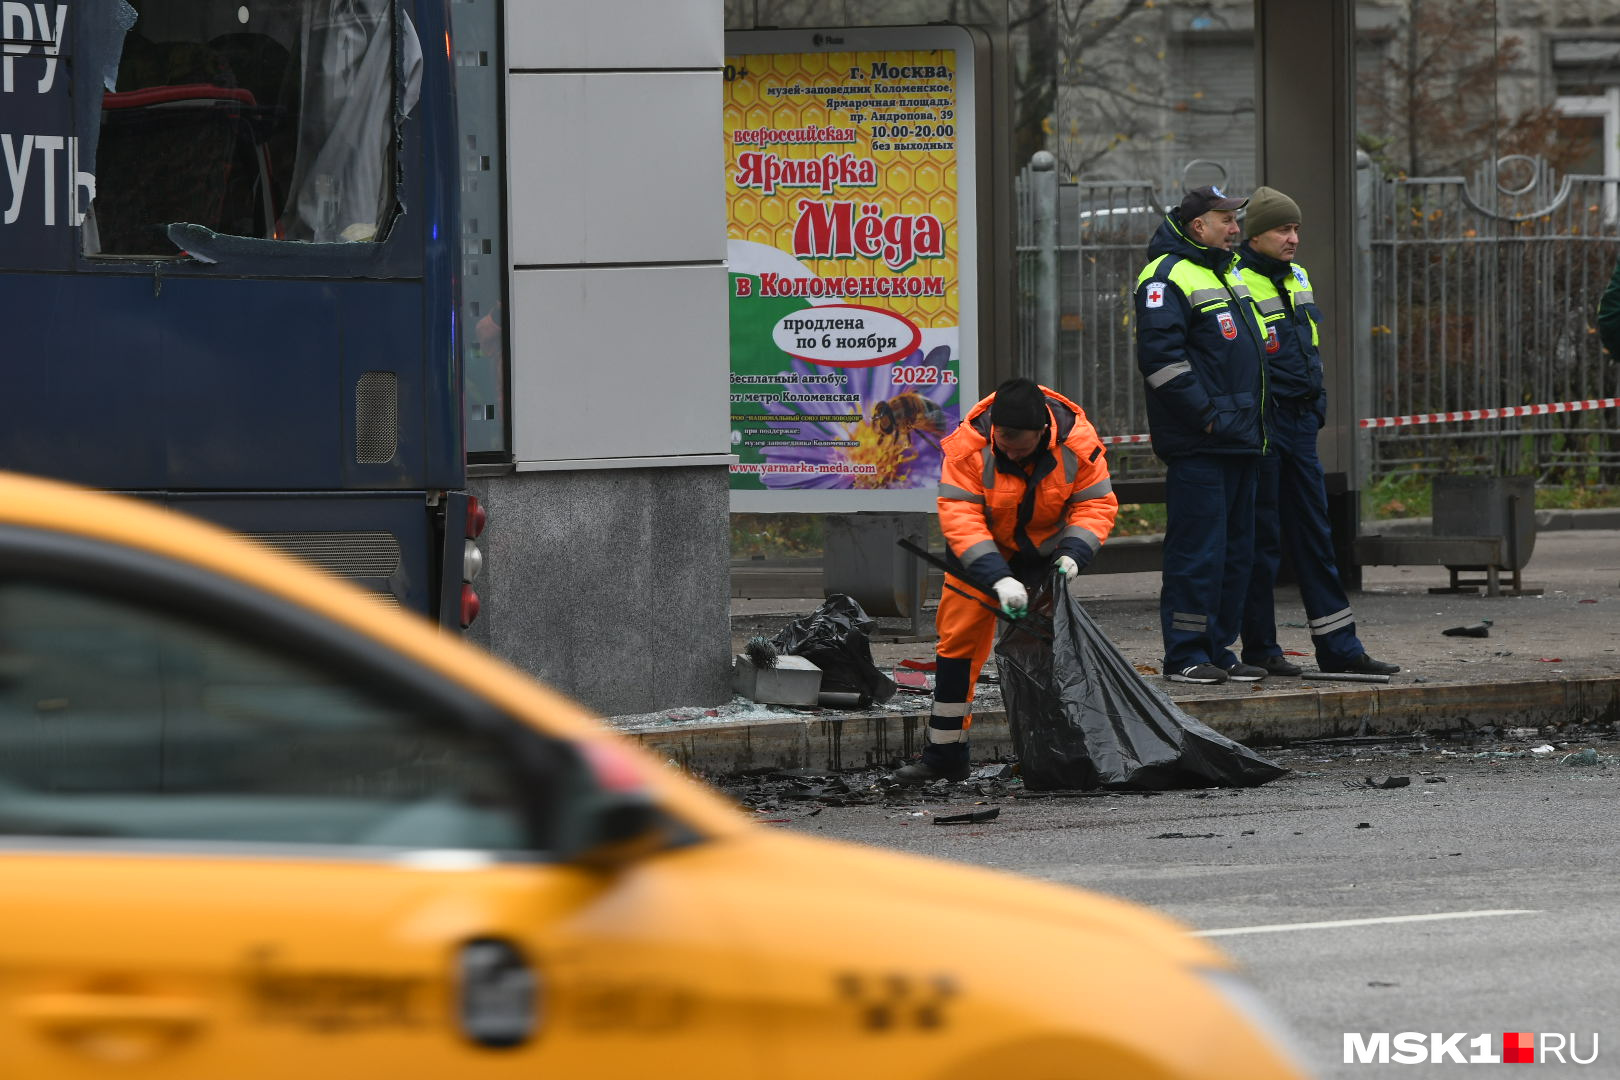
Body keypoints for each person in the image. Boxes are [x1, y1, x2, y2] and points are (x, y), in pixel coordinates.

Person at [891, 378, 1118, 784]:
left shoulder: (1078, 443)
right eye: (1004, 442)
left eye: (1021, 446)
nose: (1011, 451)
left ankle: (1056, 755)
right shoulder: (969, 447)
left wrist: (1073, 556)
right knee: (957, 648)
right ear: (994, 429)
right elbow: (961, 517)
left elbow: (1094, 503)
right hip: (981, 558)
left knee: (1046, 655)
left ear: (1044, 433)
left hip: (1045, 559)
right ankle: (945, 755)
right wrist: (998, 578)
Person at [1235, 188, 1400, 677]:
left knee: (1315, 537)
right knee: (1261, 540)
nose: (1294, 239)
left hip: (1300, 422)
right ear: (1256, 233)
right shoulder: (1235, 278)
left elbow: (1308, 347)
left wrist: (1317, 405)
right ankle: (1261, 649)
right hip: (1265, 424)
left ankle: (1340, 649)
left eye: (1297, 229)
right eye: (1284, 230)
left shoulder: (1298, 276)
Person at [1133, 185, 1269, 685]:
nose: (1236, 228)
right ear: (1199, 227)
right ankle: (1186, 654)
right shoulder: (1165, 277)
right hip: (1202, 443)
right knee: (1198, 554)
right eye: (1226, 219)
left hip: (1238, 439)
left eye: (1236, 219)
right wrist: (1207, 417)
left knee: (1235, 553)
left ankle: (1218, 648)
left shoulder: (1227, 271)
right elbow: (1161, 362)